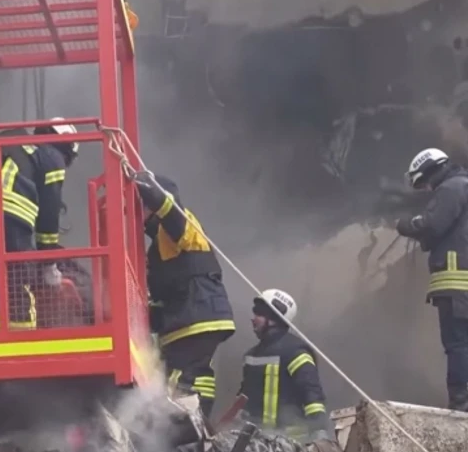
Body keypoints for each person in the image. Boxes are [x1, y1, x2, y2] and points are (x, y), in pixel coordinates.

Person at [395, 148, 468, 410]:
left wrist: (406, 225)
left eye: (425, 182)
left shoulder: (451, 187)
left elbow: (433, 224)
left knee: (457, 342)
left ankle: (460, 400)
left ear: (432, 170)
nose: (428, 188)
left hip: (456, 281)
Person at [0, 117, 79, 333]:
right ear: (66, 144)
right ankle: (21, 340)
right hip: (8, 211)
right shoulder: (52, 155)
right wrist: (48, 261)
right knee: (18, 281)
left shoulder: (14, 144)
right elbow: (49, 213)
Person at [132, 171, 235, 420]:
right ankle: (196, 421)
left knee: (179, 379)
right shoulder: (159, 244)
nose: (139, 213)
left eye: (141, 206)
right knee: (196, 374)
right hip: (194, 317)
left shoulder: (180, 223)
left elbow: (172, 214)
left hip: (196, 317)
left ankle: (184, 423)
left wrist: (149, 189)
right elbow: (167, 294)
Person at [238, 289, 337, 446]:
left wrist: (320, 435)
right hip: (257, 442)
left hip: (290, 443)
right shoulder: (251, 356)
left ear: (273, 318)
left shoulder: (295, 352)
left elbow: (312, 395)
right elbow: (243, 401)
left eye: (258, 313)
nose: (253, 319)